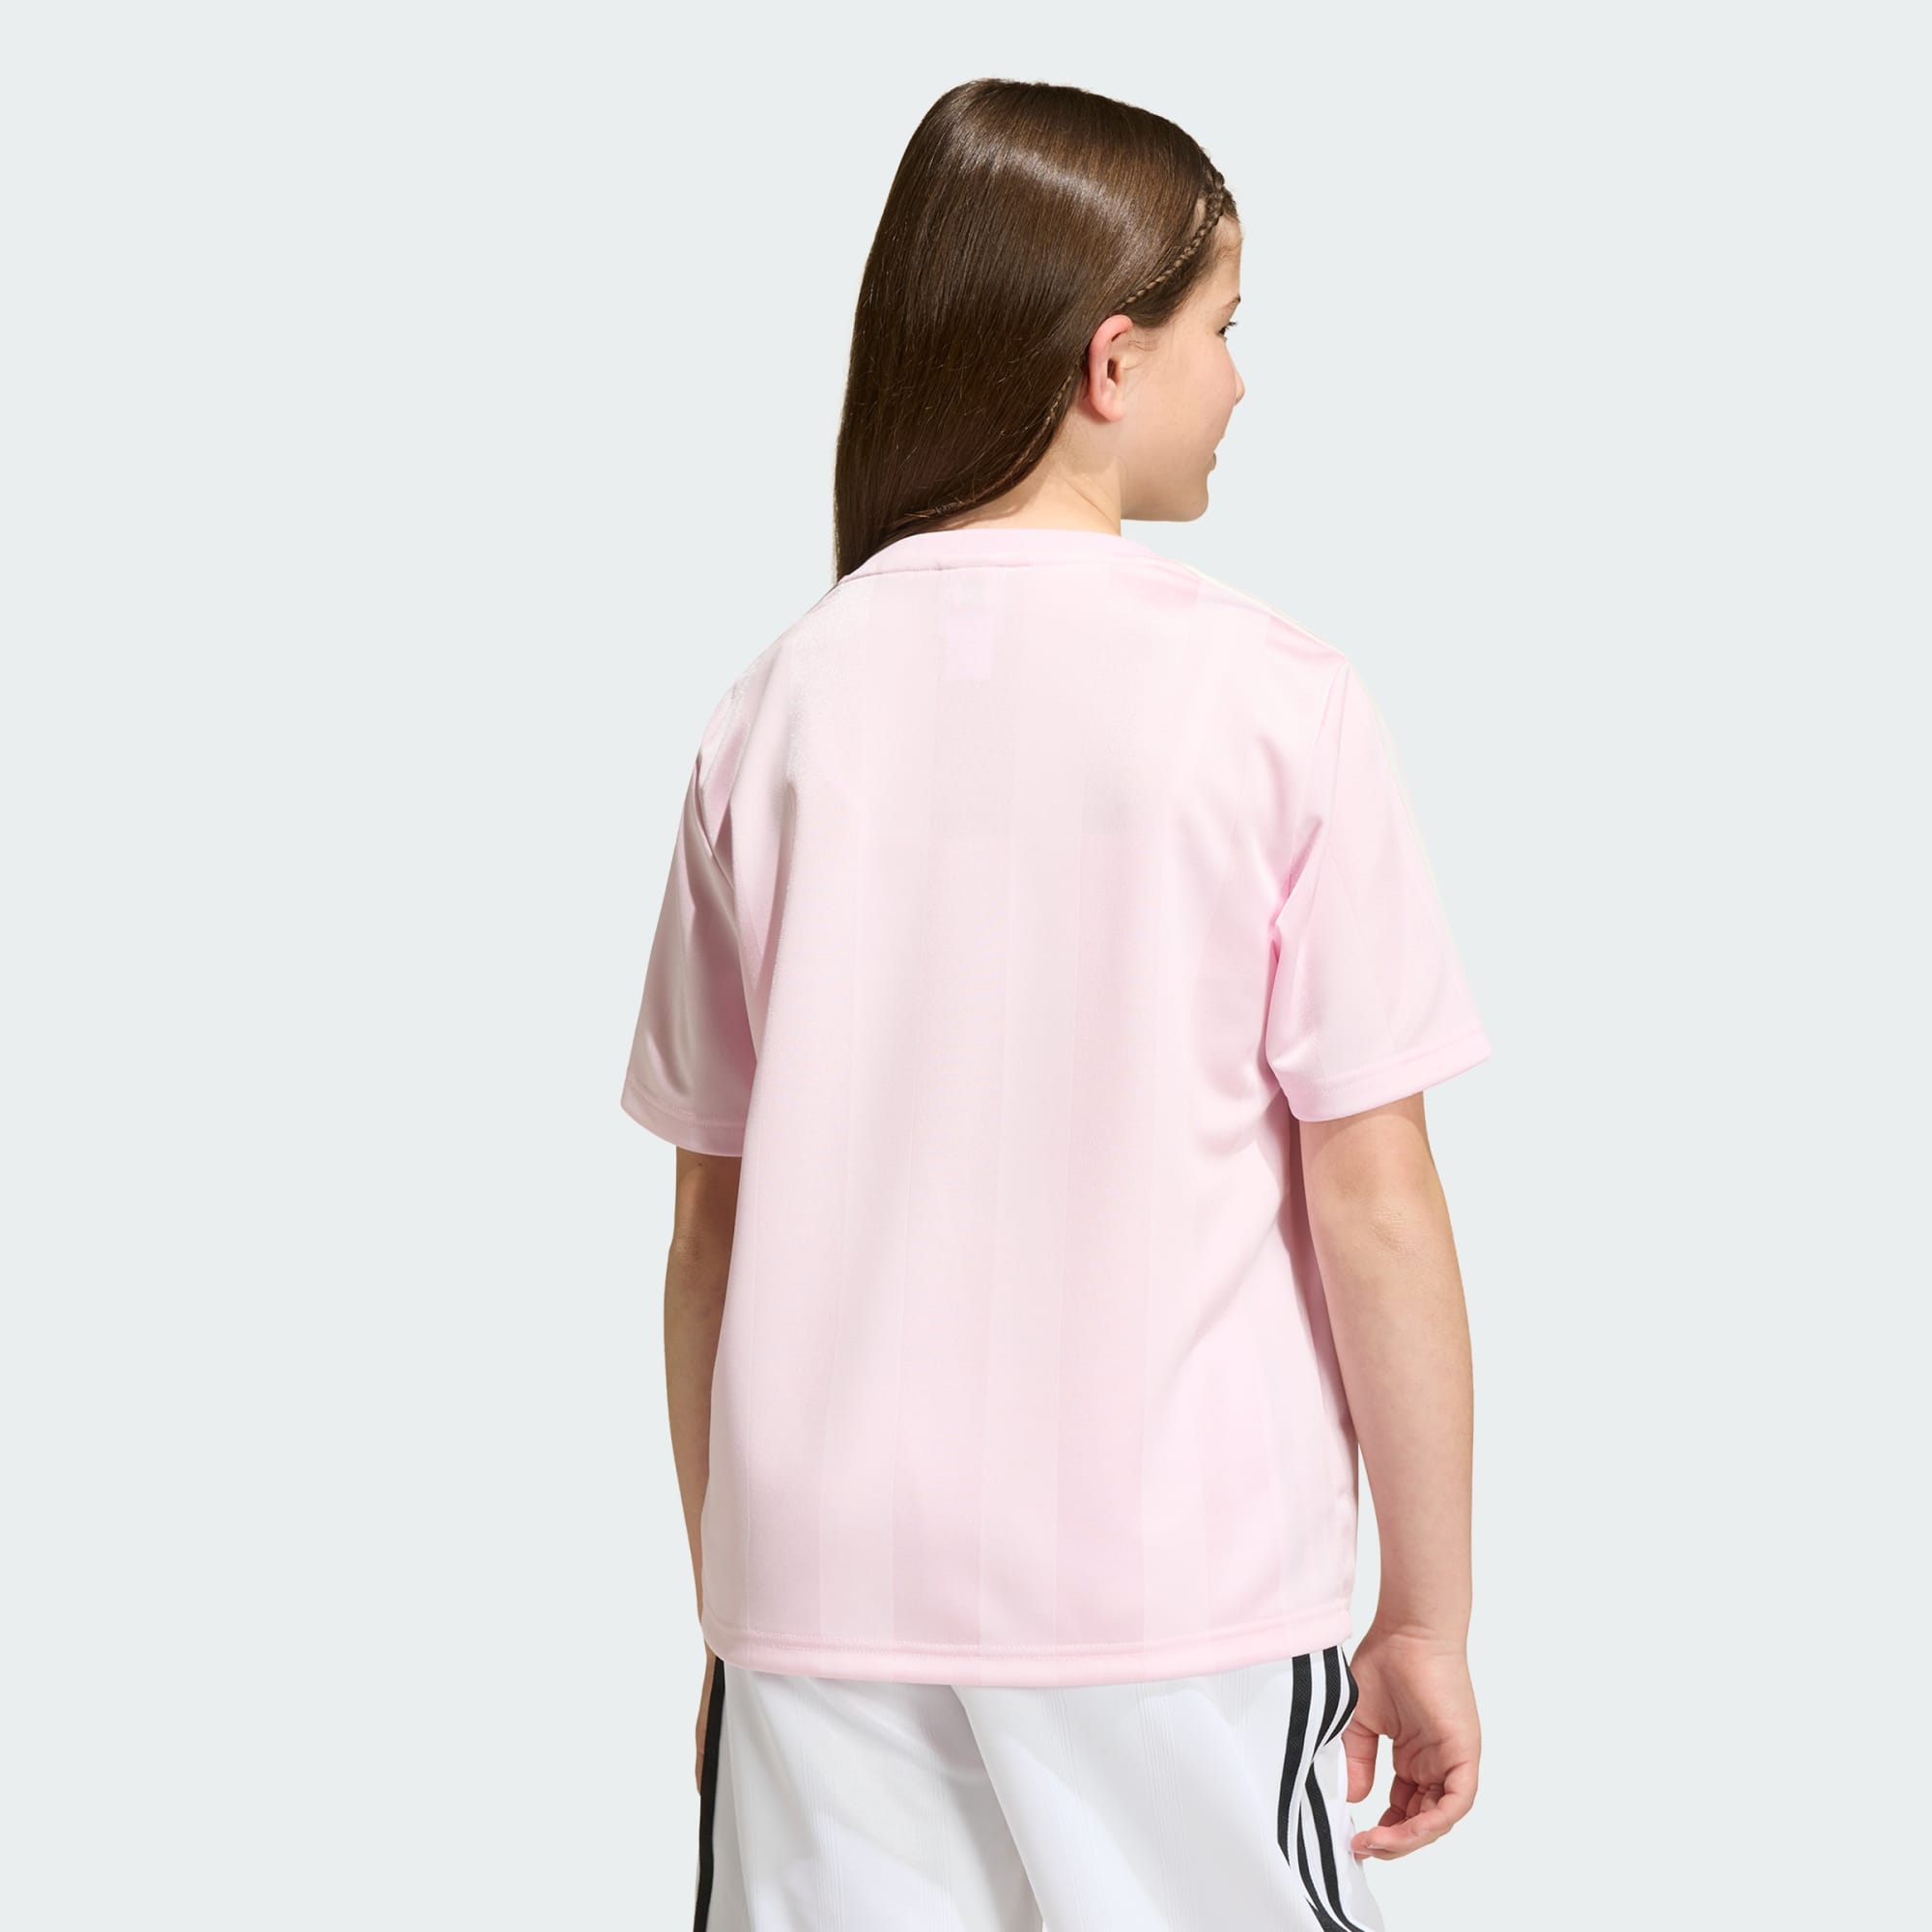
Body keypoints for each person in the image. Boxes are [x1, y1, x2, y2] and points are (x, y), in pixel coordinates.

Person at [620, 77, 1490, 1932]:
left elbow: (709, 1224)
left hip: (825, 1605)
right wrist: (1424, 1613)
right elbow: (1374, 1196)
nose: (1240, 381)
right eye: (1224, 328)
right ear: (1113, 360)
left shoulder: (772, 711)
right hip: (1176, 1597)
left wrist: (737, 1613)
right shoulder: (1277, 705)